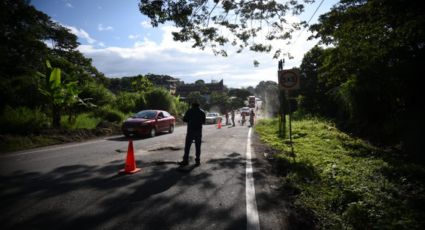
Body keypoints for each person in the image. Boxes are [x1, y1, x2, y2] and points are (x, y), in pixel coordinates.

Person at [180, 101, 206, 166]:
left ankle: (185, 160)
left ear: (192, 105)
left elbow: (184, 120)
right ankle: (197, 160)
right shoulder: (202, 112)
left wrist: (190, 120)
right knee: (198, 146)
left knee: (187, 146)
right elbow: (203, 122)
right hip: (198, 131)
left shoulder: (189, 111)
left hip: (190, 131)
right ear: (198, 106)